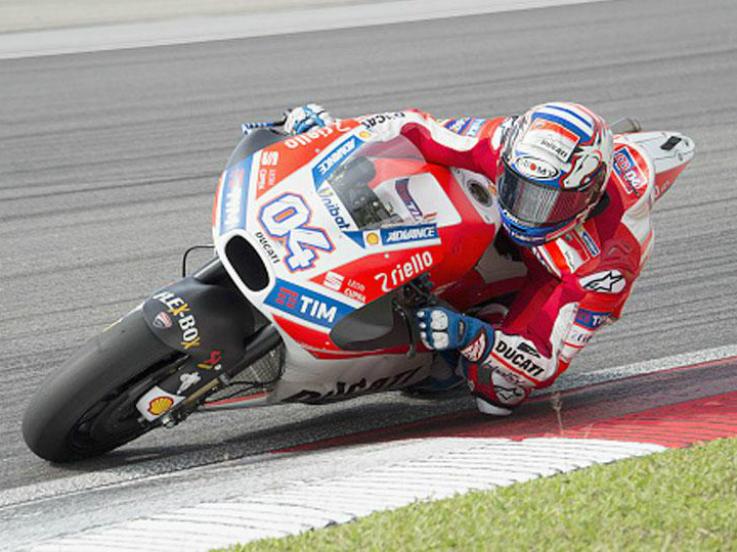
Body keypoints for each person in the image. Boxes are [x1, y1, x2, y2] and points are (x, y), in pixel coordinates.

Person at [282, 102, 652, 416]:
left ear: (586, 197)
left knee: (499, 392)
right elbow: (415, 128)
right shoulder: (500, 142)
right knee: (407, 167)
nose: (527, 209)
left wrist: (473, 337)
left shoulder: (607, 262)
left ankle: (471, 329)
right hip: (490, 211)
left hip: (556, 274)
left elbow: (545, 361)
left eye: (548, 200)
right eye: (518, 188)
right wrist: (334, 134)